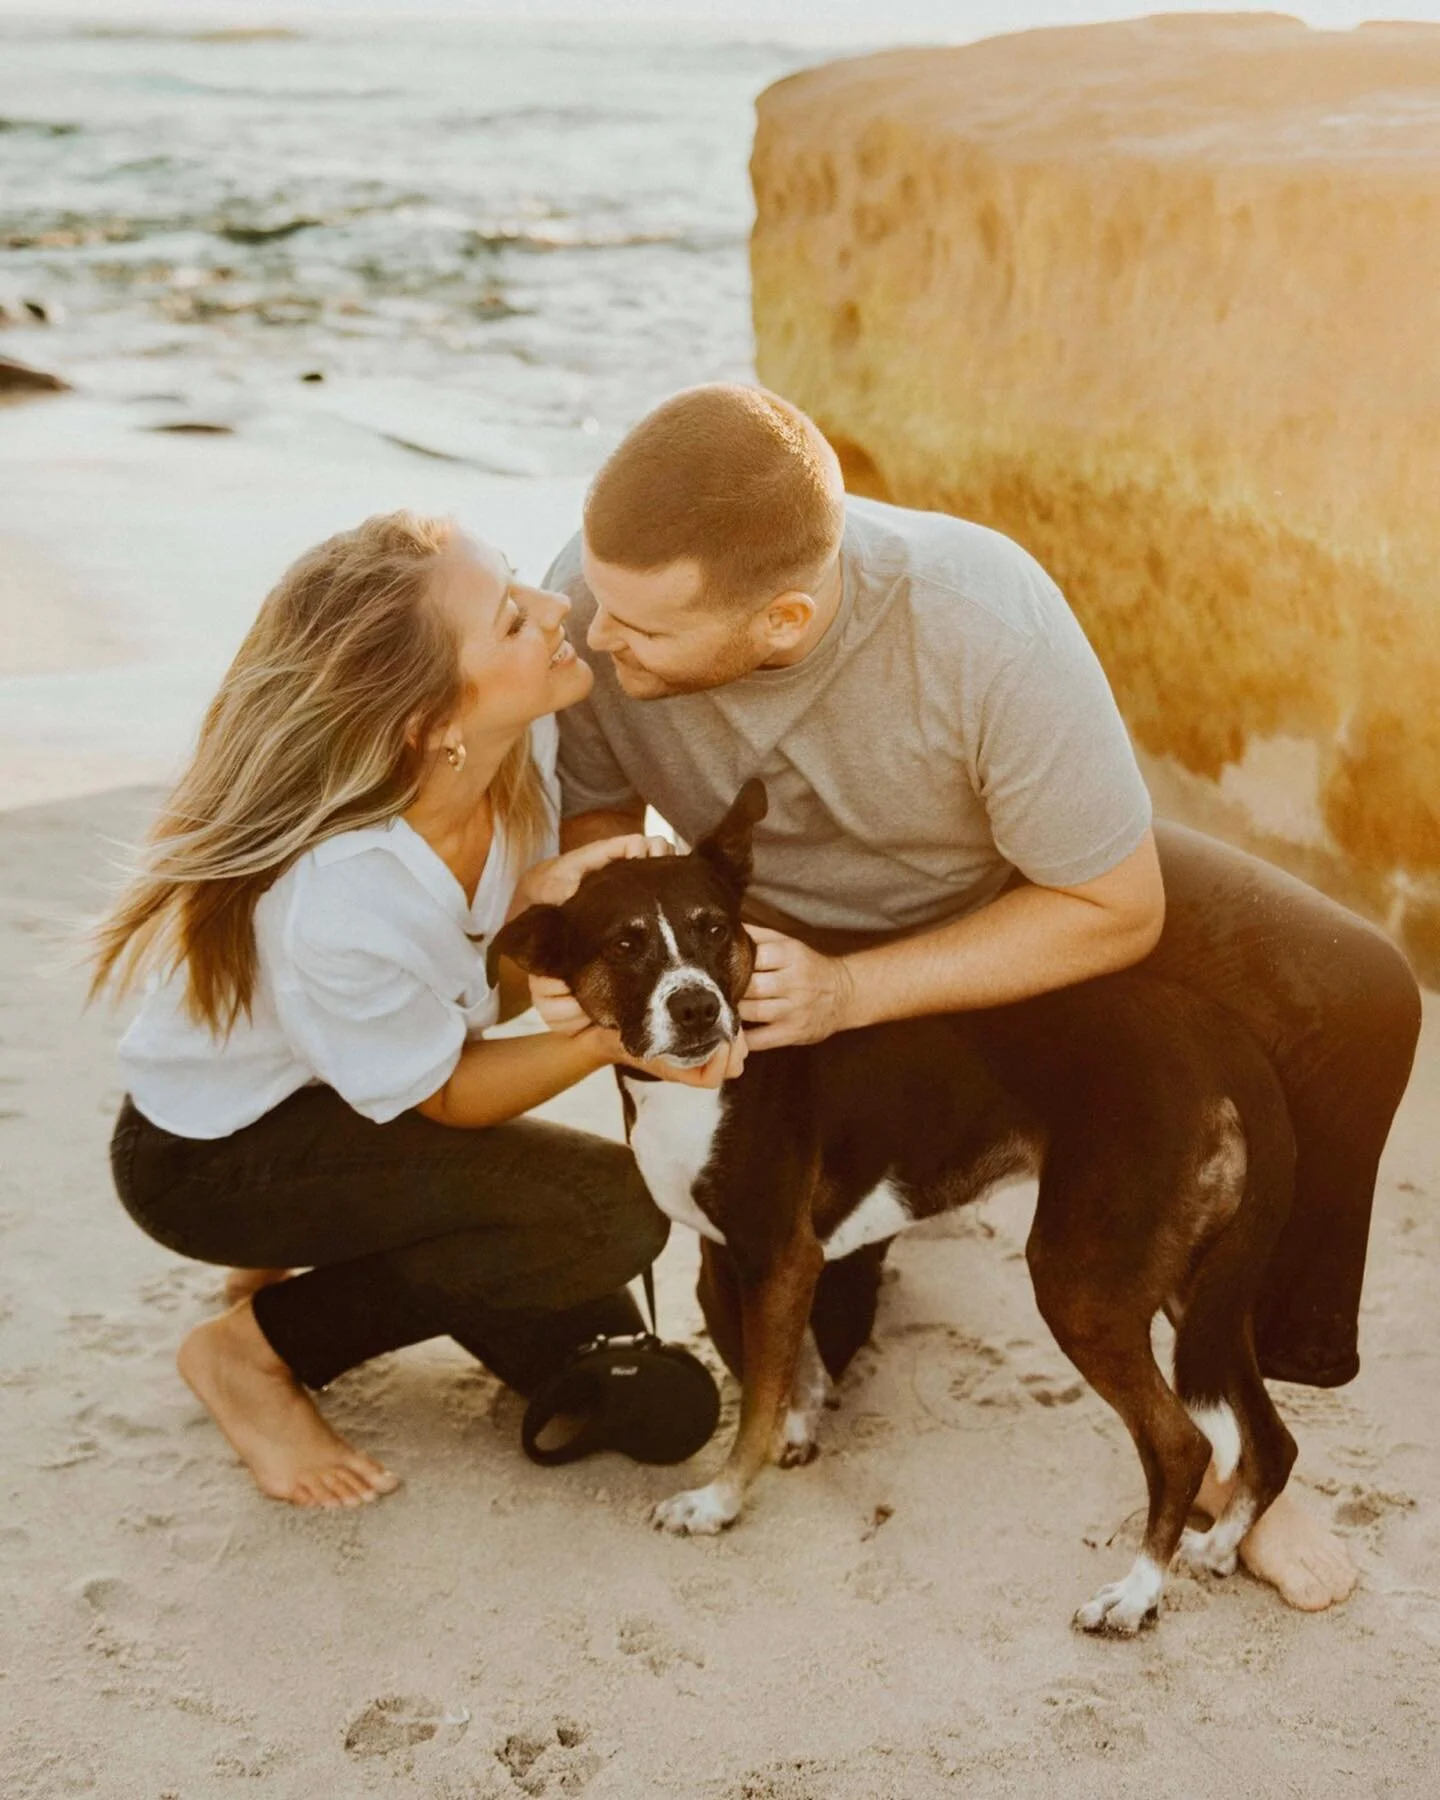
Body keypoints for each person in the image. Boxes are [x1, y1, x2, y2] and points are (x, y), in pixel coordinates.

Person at [532, 384, 1422, 1611]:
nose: (597, 642)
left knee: (1356, 992)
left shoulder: (980, 619)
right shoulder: (608, 591)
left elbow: (1114, 905)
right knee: (782, 1303)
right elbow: (596, 829)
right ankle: (888, 1217)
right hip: (759, 932)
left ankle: (1244, 1435)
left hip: (1006, 884)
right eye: (599, 605)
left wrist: (854, 989)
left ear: (784, 618)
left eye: (638, 634)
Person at [92, 510, 741, 1510]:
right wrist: (622, 1036)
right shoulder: (340, 891)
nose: (553, 603)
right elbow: (448, 1093)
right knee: (607, 1211)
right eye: (511, 622)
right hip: (209, 1159)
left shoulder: (521, 759)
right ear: (433, 723)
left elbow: (474, 988)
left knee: (640, 1395)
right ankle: (252, 1353)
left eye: (522, 583)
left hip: (352, 1102)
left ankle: (309, 1264)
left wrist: (545, 909)